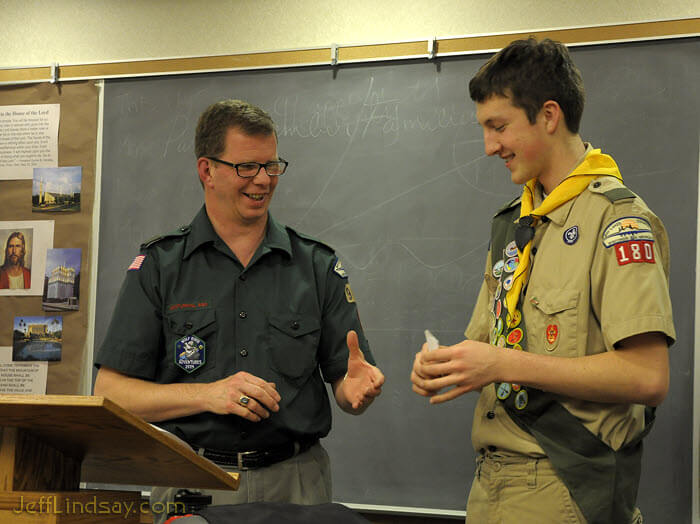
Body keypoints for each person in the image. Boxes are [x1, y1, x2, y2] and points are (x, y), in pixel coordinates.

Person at [411, 38, 674, 523]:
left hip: (564, 485)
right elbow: (487, 348)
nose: (490, 146)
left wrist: (501, 362)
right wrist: (445, 366)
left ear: (549, 116)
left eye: (499, 127)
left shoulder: (617, 222)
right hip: (492, 482)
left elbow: (647, 376)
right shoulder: (515, 224)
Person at [93, 99, 384, 523]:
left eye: (272, 166)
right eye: (247, 167)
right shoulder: (160, 266)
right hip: (193, 481)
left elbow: (346, 384)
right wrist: (207, 394)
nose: (263, 180)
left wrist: (355, 393)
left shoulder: (316, 265)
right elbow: (112, 393)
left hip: (296, 485)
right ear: (207, 170)